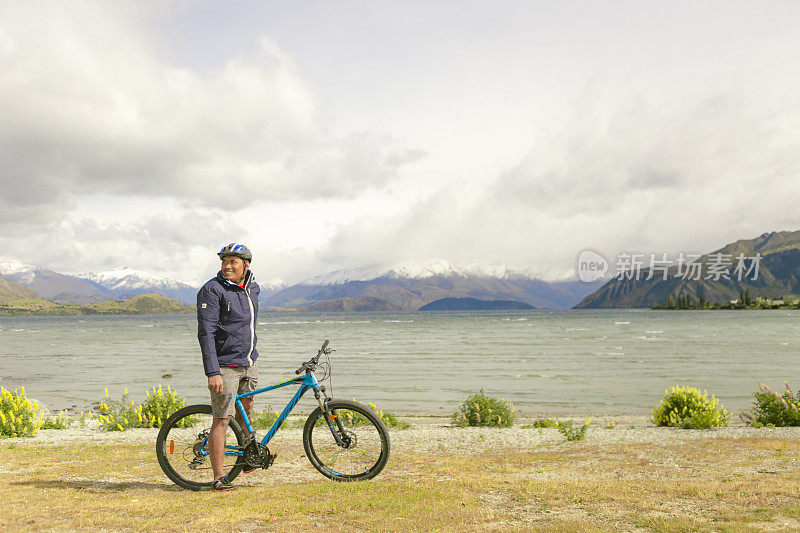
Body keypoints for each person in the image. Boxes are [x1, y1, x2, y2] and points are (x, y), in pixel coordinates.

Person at [197, 243, 261, 491]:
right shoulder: (212, 290)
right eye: (224, 262)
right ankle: (218, 477)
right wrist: (212, 371)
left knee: (246, 409)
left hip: (248, 362)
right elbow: (206, 333)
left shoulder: (252, 288)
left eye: (233, 261)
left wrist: (252, 356)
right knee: (222, 419)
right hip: (224, 366)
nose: (227, 266)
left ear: (246, 265)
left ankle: (247, 457)